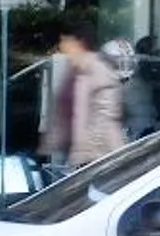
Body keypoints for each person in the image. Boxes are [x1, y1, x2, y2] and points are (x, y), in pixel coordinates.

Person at [47, 11, 126, 171]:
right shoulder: (77, 70)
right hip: (82, 156)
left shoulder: (97, 72)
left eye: (66, 41)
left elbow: (105, 118)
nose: (61, 47)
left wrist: (85, 156)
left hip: (97, 158)